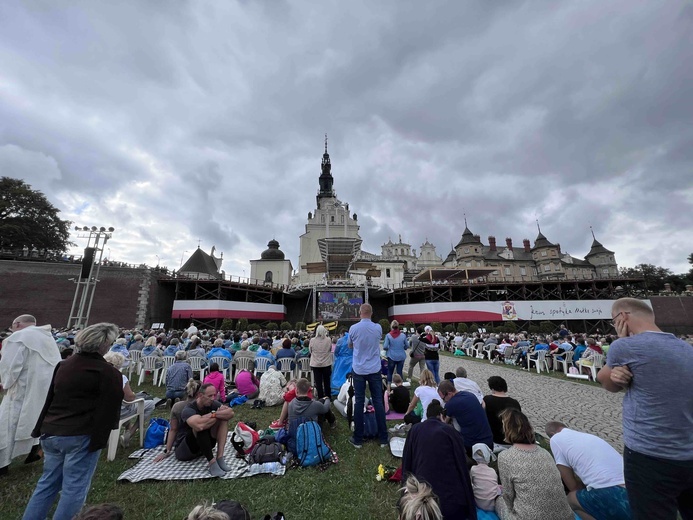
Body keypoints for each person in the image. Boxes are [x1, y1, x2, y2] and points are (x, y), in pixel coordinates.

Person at [597, 298, 693, 520]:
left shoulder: (624, 346)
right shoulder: (685, 348)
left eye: (614, 321)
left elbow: (606, 382)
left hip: (649, 454)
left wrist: (622, 343)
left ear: (622, 317)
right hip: (687, 451)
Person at [23, 323, 124, 520]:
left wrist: (40, 429)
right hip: (80, 434)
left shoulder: (63, 365)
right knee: (74, 488)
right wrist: (99, 440)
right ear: (104, 345)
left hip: (52, 430)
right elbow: (110, 411)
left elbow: (51, 398)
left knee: (47, 483)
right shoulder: (108, 372)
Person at [0, 314, 61, 476]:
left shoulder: (18, 337)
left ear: (17, 324)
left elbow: (11, 367)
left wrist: (5, 383)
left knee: (8, 424)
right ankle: (34, 448)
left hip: (20, 390)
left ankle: (2, 463)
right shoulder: (48, 338)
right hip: (43, 390)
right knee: (34, 420)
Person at [402, 399, 477, 519]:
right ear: (442, 416)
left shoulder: (415, 430)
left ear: (427, 416)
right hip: (452, 505)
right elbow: (461, 464)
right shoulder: (450, 431)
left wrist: (404, 496)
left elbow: (407, 463)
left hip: (422, 503)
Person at [495, 409, 574, 520]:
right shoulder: (545, 452)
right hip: (566, 516)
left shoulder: (505, 456)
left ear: (507, 429)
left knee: (499, 501)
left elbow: (508, 496)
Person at [545, 421, 632, 520]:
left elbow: (572, 485)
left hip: (615, 494)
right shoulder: (588, 436)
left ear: (552, 434)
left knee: (571, 499)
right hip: (634, 491)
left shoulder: (556, 439)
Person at [347, 303, 388, 448]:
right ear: (371, 313)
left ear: (360, 313)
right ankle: (383, 438)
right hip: (374, 368)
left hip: (359, 368)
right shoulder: (378, 328)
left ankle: (358, 439)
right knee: (377, 401)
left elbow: (350, 345)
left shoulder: (353, 328)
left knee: (359, 401)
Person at [175, 383, 235, 477]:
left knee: (223, 419)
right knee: (201, 427)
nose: (212, 398)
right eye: (210, 396)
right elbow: (199, 425)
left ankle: (220, 457)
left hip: (204, 446)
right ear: (200, 396)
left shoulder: (212, 404)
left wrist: (214, 415)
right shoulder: (189, 409)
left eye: (214, 395)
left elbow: (230, 413)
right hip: (185, 450)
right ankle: (212, 462)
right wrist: (216, 414)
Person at [103, 352, 155, 448]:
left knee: (127, 405)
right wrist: (134, 395)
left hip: (102, 411)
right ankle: (131, 431)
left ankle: (124, 430)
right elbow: (130, 398)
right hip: (119, 412)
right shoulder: (120, 377)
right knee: (149, 404)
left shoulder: (98, 376)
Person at [437, 380, 493, 455]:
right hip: (489, 442)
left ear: (449, 394)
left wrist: (442, 421)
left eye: (443, 398)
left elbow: (445, 423)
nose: (443, 401)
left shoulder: (451, 404)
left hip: (473, 446)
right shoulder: (470, 394)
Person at [154, 378, 201, 463]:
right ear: (199, 394)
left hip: (181, 448)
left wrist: (167, 450)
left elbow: (173, 429)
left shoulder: (177, 407)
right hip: (198, 446)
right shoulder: (201, 407)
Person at [483, 376, 521, 449]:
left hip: (495, 438)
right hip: (512, 438)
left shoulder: (487, 400)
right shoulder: (514, 402)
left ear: (492, 388)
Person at [470, 443, 500, 512]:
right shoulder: (492, 471)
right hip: (493, 505)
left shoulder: (473, 469)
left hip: (478, 503)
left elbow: (470, 484)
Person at [309, 325, 333, 399]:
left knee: (318, 381)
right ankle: (328, 395)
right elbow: (330, 349)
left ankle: (320, 396)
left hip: (316, 363)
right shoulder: (328, 339)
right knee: (327, 380)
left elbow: (310, 350)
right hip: (326, 363)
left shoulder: (312, 340)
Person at [383, 320, 408, 390]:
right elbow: (407, 345)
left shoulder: (388, 335)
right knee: (399, 372)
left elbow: (385, 346)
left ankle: (388, 389)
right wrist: (403, 347)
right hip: (401, 356)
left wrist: (388, 349)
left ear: (391, 326)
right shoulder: (403, 335)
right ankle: (401, 388)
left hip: (391, 356)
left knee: (390, 372)